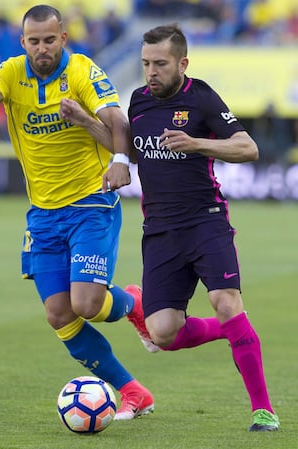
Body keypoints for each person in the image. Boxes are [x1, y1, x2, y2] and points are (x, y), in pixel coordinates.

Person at [61, 23, 280, 432]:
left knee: (227, 301)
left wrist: (199, 143)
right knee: (163, 333)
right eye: (145, 63)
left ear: (182, 63)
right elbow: (130, 151)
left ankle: (263, 410)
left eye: (159, 64)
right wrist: (84, 122)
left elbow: (248, 147)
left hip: (205, 222)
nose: (150, 72)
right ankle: (233, 332)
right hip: (160, 232)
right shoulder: (139, 101)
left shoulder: (202, 97)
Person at [0, 4, 154, 421]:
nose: (42, 48)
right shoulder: (12, 72)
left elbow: (115, 119)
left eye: (49, 40)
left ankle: (134, 303)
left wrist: (120, 159)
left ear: (63, 38)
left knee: (86, 304)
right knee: (59, 315)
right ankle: (133, 392)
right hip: (43, 214)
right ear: (23, 43)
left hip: (90, 202)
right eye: (33, 41)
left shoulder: (83, 71)